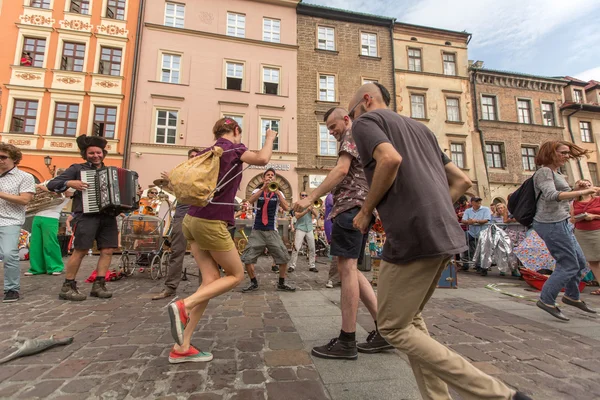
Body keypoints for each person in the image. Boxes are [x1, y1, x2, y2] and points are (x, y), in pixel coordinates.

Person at [348, 82, 531, 400]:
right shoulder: (422, 130)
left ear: (366, 100)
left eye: (350, 113)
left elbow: (389, 160)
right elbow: (462, 180)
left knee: (391, 327)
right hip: (444, 231)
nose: (351, 122)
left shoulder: (367, 121)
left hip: (412, 234)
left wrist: (366, 211)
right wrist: (435, 211)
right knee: (410, 319)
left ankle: (500, 395)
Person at [167, 118, 276, 363]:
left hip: (191, 220)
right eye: (240, 133)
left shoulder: (208, 151)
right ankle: (184, 305)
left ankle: (182, 347)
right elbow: (262, 159)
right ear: (235, 131)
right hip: (211, 222)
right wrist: (269, 138)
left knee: (210, 281)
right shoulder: (232, 148)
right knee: (236, 275)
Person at [294, 106, 393, 360]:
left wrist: (311, 198)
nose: (331, 132)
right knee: (351, 269)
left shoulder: (352, 132)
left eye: (333, 126)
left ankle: (347, 339)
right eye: (327, 129)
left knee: (347, 269)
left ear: (346, 119)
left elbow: (340, 170)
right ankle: (383, 330)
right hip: (359, 209)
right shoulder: (362, 137)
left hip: (350, 208)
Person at [533, 141, 598, 321]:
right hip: (550, 223)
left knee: (580, 261)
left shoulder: (556, 173)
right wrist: (580, 193)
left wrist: (578, 189)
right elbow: (552, 195)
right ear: (551, 153)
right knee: (568, 264)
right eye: (563, 153)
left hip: (562, 222)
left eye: (568, 153)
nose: (567, 156)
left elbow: (562, 194)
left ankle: (571, 295)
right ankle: (546, 300)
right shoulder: (544, 172)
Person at [47, 135, 117, 301]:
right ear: (85, 154)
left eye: (98, 152)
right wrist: (71, 183)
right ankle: (68, 285)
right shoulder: (77, 169)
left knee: (108, 250)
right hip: (86, 215)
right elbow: (52, 184)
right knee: (81, 250)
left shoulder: (110, 172)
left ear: (103, 154)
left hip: (108, 216)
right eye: (91, 153)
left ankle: (99, 285)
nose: (95, 155)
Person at [152, 148, 201, 300]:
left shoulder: (203, 174)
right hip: (181, 214)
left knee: (203, 254)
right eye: (191, 156)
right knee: (176, 252)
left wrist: (172, 181)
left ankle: (204, 287)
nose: (193, 158)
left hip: (199, 214)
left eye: (196, 156)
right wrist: (172, 182)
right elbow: (178, 192)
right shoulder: (180, 172)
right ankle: (170, 287)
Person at [240, 168, 295, 292]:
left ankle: (281, 282)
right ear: (263, 178)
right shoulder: (256, 191)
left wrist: (278, 193)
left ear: (275, 179)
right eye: (267, 175)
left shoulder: (277, 192)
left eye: (272, 175)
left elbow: (286, 208)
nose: (270, 177)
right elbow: (250, 201)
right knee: (247, 258)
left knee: (284, 257)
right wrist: (263, 188)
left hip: (272, 230)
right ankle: (253, 282)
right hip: (257, 230)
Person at [0, 143, 35, 303]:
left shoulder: (25, 177)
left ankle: (12, 289)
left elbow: (24, 199)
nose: (0, 160)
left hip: (10, 221)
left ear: (14, 159)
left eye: (3, 157)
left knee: (8, 254)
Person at [26, 169, 74, 276]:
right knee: (36, 244)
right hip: (38, 215)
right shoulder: (50, 183)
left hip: (52, 216)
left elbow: (63, 193)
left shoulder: (70, 186)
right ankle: (36, 268)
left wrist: (41, 187)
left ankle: (55, 267)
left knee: (50, 243)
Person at [571, 179, 600, 295]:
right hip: (582, 232)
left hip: (597, 230)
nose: (584, 187)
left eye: (587, 185)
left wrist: (594, 216)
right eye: (581, 185)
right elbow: (572, 219)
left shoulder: (597, 200)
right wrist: (580, 217)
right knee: (592, 260)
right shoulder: (574, 203)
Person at [288, 191, 318, 273]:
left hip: (309, 228)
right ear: (300, 196)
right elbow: (297, 216)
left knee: (312, 247)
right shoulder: (297, 205)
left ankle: (312, 265)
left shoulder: (310, 205)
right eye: (302, 195)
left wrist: (312, 208)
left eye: (306, 195)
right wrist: (306, 210)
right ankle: (292, 265)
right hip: (300, 227)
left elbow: (317, 215)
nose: (304, 196)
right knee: (296, 247)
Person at [460, 197, 491, 271]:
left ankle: (482, 267)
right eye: (476, 201)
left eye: (479, 201)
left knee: (482, 250)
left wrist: (475, 221)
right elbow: (463, 220)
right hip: (471, 233)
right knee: (463, 244)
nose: (479, 202)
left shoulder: (486, 209)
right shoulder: (468, 211)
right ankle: (465, 263)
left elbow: (486, 220)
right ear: (472, 202)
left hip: (483, 233)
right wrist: (468, 222)